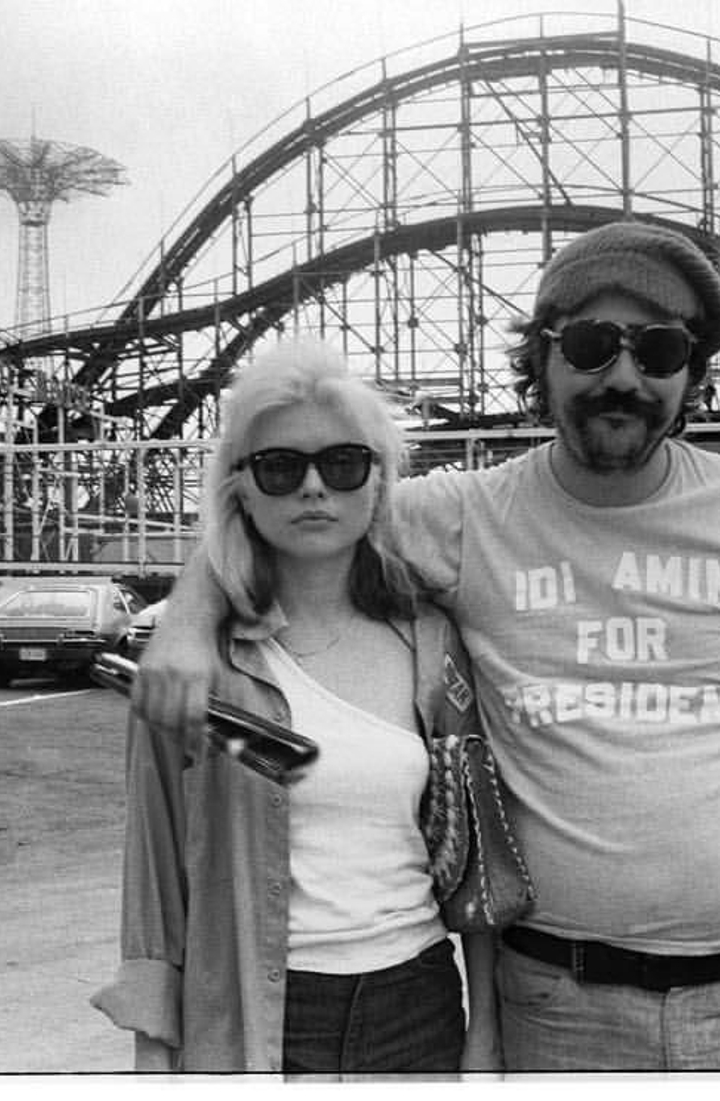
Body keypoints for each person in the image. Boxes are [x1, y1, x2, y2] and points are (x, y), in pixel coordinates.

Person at [132, 221, 720, 1071]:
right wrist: (186, 618)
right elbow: (293, 508)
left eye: (660, 350)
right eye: (593, 344)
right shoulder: (464, 516)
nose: (624, 376)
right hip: (558, 1008)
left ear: (691, 373)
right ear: (544, 358)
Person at [90, 340, 498, 1074]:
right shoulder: (194, 662)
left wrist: (486, 1036)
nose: (314, 488)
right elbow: (153, 878)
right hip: (257, 1013)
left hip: (418, 1005)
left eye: (343, 464)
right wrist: (153, 1056)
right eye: (280, 467)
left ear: (379, 481)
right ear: (241, 489)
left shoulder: (431, 642)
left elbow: (473, 861)